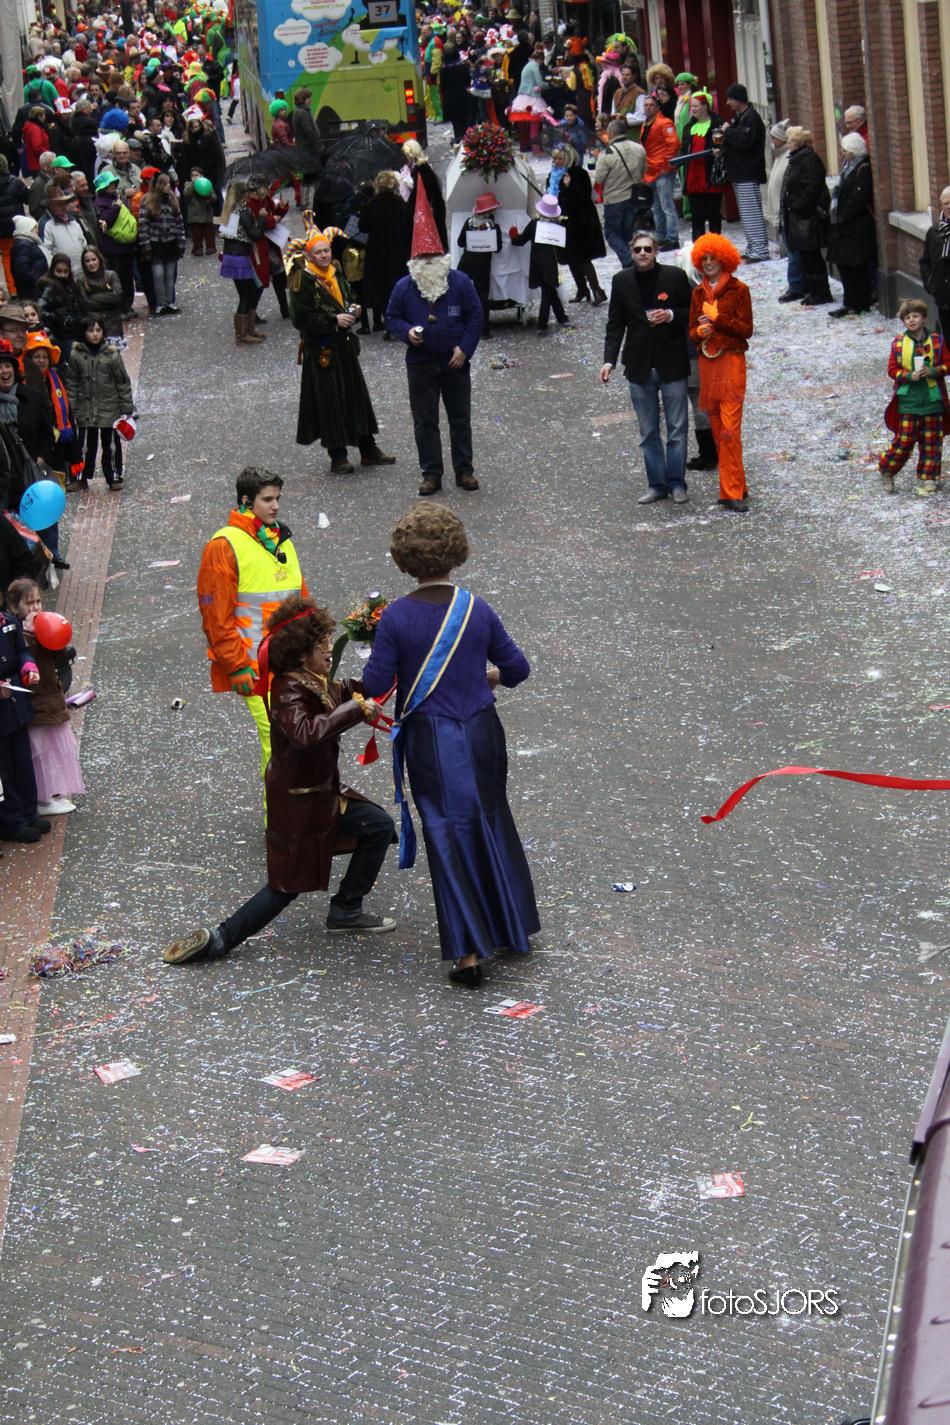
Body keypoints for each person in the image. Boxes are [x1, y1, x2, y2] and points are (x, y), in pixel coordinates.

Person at [165, 588, 397, 966]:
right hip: (300, 805)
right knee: (285, 887)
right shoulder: (288, 689)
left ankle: (346, 909)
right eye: (321, 643)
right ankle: (221, 937)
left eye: (328, 640)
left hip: (323, 795)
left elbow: (359, 689)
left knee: (379, 826)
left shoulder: (316, 679)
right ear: (300, 651)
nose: (329, 649)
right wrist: (357, 709)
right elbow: (306, 733)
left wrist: (386, 646)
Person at [361, 503, 538, 987]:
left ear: (404, 558)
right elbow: (517, 669)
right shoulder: (476, 607)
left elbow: (375, 684)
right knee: (490, 817)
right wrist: (487, 677)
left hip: (431, 736)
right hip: (481, 729)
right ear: (455, 551)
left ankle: (468, 953)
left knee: (445, 831)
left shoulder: (396, 616)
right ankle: (511, 926)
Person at [196, 468, 308, 778]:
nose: (276, 506)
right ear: (246, 501)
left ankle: (289, 804)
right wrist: (236, 666)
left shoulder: (279, 538)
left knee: (289, 742)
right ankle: (281, 807)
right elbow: (215, 618)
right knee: (279, 743)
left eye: (278, 498)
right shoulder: (223, 546)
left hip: (289, 663)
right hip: (254, 668)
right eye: (268, 500)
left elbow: (301, 599)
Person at [387, 186, 482, 494]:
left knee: (460, 419)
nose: (428, 261)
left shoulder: (460, 282)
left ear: (442, 257)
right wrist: (406, 332)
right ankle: (431, 474)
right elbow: (391, 317)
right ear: (415, 260)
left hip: (455, 361)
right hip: (420, 362)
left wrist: (464, 349)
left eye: (433, 256)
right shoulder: (404, 286)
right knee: (424, 421)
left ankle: (464, 471)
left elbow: (476, 317)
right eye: (423, 257)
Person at [289, 224, 395, 475]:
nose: (324, 255)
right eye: (318, 252)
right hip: (322, 351)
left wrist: (353, 310)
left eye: (326, 250)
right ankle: (338, 456)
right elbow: (300, 319)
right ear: (309, 256)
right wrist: (333, 321)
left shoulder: (335, 273)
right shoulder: (304, 280)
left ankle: (368, 449)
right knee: (331, 402)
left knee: (356, 397)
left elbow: (347, 298)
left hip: (344, 348)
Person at [599, 229, 691, 505]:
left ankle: (677, 483)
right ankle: (657, 484)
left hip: (672, 363)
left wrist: (671, 314)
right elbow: (616, 323)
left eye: (647, 249)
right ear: (631, 252)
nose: (642, 253)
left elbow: (693, 310)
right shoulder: (622, 281)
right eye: (637, 249)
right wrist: (608, 360)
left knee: (677, 429)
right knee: (648, 431)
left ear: (656, 251)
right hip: (639, 365)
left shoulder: (675, 276)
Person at [688, 233, 754, 510]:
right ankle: (735, 486)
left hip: (731, 363)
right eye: (704, 258)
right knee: (717, 429)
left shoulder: (739, 290)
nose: (709, 262)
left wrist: (718, 319)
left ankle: (733, 492)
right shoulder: (697, 293)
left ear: (723, 259)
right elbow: (692, 332)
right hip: (708, 365)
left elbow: (746, 329)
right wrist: (700, 331)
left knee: (729, 430)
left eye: (713, 257)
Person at [7, 576, 83, 815]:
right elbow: (21, 657)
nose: (36, 608)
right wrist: (31, 636)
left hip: (50, 697)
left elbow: (59, 656)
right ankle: (41, 799)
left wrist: (53, 633)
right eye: (29, 603)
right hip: (35, 702)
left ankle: (51, 793)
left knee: (55, 749)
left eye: (38, 602)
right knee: (38, 753)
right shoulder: (16, 632)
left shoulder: (43, 624)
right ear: (15, 607)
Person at [878, 299, 950, 496]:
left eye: (915, 316)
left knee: (932, 441)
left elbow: (947, 365)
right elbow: (892, 370)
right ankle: (887, 470)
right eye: (907, 317)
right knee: (904, 440)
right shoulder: (898, 343)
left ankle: (929, 477)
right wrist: (909, 375)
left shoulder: (937, 341)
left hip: (933, 399)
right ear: (903, 321)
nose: (911, 320)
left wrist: (933, 371)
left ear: (924, 318)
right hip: (908, 400)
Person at [61, 316, 134, 490]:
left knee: (111, 446)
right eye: (90, 330)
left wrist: (126, 407)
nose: (95, 334)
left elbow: (122, 382)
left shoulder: (111, 355)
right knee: (84, 445)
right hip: (85, 407)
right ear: (83, 333)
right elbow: (71, 382)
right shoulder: (76, 355)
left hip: (110, 407)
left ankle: (114, 476)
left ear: (103, 332)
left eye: (98, 330)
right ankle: (81, 476)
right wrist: (71, 407)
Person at [0, 591, 45, 843]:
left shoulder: (7, 621)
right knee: (4, 770)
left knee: (23, 763)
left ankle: (29, 812)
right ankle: (12, 821)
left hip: (16, 704)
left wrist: (28, 668)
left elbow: (21, 651)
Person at [20, 329, 82, 493]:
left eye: (44, 357)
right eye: (37, 357)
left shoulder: (56, 378)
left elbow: (67, 413)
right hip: (38, 443)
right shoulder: (24, 382)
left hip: (58, 443)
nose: (41, 361)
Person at [780, 127, 831, 307]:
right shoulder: (797, 159)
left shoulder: (809, 160)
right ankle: (812, 289)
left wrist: (797, 206)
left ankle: (821, 291)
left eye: (790, 141)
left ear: (798, 143)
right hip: (800, 216)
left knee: (813, 255)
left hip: (808, 217)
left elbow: (812, 188)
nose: (787, 144)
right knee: (806, 255)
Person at [827, 132, 876, 318]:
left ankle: (860, 302)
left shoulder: (862, 169)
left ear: (853, 152)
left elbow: (859, 198)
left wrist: (842, 216)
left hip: (856, 227)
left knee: (857, 267)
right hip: (844, 227)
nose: (843, 154)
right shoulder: (848, 167)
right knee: (845, 267)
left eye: (845, 151)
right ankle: (850, 302)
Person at [719, 83, 769, 262]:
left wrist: (728, 131)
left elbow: (744, 142)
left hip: (748, 173)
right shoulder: (743, 117)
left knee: (752, 212)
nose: (728, 103)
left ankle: (760, 249)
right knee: (747, 214)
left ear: (739, 99)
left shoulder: (751, 119)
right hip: (741, 173)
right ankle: (753, 246)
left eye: (730, 99)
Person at [360, 170, 412, 334]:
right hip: (398, 251)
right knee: (396, 285)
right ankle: (396, 318)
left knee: (380, 286)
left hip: (377, 252)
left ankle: (385, 318)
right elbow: (410, 229)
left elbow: (363, 227)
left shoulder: (372, 205)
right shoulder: (402, 206)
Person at [594, 118, 647, 270]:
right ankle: (632, 263)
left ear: (611, 133)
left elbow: (598, 178)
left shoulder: (607, 153)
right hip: (634, 197)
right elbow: (643, 171)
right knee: (627, 233)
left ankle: (628, 261)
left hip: (614, 199)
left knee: (612, 234)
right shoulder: (639, 148)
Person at [220, 179, 267, 345]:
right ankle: (242, 334)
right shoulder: (243, 211)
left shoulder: (229, 210)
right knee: (246, 295)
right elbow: (255, 235)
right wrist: (262, 219)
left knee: (253, 289)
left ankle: (249, 329)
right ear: (241, 195)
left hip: (231, 256)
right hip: (240, 257)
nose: (250, 194)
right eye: (247, 191)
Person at [764, 120, 803, 301]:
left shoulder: (788, 158)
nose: (771, 140)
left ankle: (797, 285)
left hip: (788, 213)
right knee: (791, 250)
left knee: (793, 251)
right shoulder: (779, 156)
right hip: (782, 213)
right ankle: (796, 284)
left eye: (774, 137)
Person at [679, 90, 725, 242]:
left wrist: (718, 152)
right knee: (696, 216)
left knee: (713, 214)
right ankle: (698, 247)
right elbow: (684, 149)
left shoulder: (717, 125)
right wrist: (677, 160)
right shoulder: (688, 127)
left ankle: (715, 246)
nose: (692, 109)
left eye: (696, 106)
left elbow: (723, 147)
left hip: (710, 175)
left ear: (705, 106)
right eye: (692, 106)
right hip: (693, 176)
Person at [137, 171, 185, 316]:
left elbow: (179, 222)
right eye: (165, 184)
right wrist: (146, 246)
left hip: (171, 242)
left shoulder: (172, 199)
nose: (168, 186)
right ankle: (160, 303)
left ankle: (170, 302)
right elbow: (143, 224)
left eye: (169, 183)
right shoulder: (147, 200)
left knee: (170, 275)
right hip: (155, 243)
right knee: (158, 275)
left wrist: (181, 243)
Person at [458, 191, 503, 335]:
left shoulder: (469, 223)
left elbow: (460, 242)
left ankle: (458, 324)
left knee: (459, 292)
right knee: (482, 296)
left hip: (466, 261)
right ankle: (484, 329)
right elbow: (498, 249)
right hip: (482, 265)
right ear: (490, 211)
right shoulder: (494, 227)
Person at [92, 170, 136, 315]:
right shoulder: (99, 202)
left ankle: (127, 305)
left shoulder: (117, 198)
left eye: (113, 183)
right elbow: (106, 223)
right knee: (117, 279)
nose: (113, 185)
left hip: (126, 246)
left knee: (127, 278)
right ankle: (119, 307)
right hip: (112, 249)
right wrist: (116, 208)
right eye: (109, 183)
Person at [640, 93, 680, 251]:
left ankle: (672, 238)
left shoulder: (664, 123)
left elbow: (674, 144)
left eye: (651, 105)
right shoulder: (645, 123)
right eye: (646, 105)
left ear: (657, 107)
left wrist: (666, 165)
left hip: (662, 171)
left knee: (667, 207)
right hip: (651, 170)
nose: (648, 108)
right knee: (656, 208)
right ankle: (661, 237)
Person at [37, 254, 87, 363]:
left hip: (76, 331)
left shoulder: (71, 285)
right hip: (63, 334)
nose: (62, 275)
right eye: (58, 271)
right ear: (53, 270)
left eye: (65, 271)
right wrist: (60, 320)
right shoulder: (50, 287)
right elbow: (40, 310)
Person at [402, 139, 448, 251]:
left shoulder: (422, 170)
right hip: (434, 214)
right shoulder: (422, 168)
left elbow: (420, 195)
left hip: (431, 218)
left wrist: (406, 208)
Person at [76, 245, 125, 345]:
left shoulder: (111, 275)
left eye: (94, 259)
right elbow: (85, 304)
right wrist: (107, 298)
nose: (91, 263)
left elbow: (117, 297)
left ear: (99, 259)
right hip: (93, 328)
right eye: (87, 261)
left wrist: (93, 297)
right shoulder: (81, 281)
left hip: (113, 326)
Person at [921, 187, 950, 343]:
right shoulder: (935, 232)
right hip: (944, 298)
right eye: (946, 203)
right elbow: (925, 261)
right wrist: (931, 284)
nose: (949, 207)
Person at [40, 183, 87, 272]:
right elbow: (46, 253)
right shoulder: (46, 224)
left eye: (64, 203)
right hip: (62, 275)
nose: (64, 207)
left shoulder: (73, 221)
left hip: (81, 273)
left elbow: (83, 244)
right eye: (59, 204)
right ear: (51, 205)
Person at [0, 157, 29, 297]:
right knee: (20, 254)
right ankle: (22, 284)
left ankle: (12, 289)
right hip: (16, 226)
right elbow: (27, 199)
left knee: (6, 256)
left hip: (1, 229)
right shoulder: (15, 182)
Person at [11, 215, 49, 302]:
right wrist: (40, 280)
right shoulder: (24, 245)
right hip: (32, 292)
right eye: (34, 227)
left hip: (34, 290)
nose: (37, 230)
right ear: (28, 229)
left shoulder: (27, 243)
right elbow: (22, 271)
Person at [182, 169, 216, 255]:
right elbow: (186, 193)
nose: (194, 177)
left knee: (209, 232)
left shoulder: (206, 184)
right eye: (192, 175)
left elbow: (214, 197)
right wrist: (193, 184)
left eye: (196, 175)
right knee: (196, 234)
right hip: (195, 214)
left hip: (206, 213)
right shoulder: (189, 185)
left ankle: (210, 247)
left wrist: (209, 197)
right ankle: (197, 248)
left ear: (202, 176)